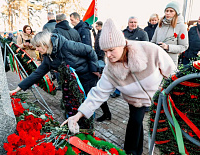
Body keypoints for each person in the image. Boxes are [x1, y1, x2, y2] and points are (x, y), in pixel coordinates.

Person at [61, 18, 176, 155]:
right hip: (136, 101)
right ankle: (132, 152)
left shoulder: (150, 50)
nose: (108, 55)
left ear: (122, 44)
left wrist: (170, 93)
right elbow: (98, 94)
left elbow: (173, 74)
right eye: (105, 51)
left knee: (165, 129)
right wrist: (78, 115)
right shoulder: (110, 70)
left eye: (111, 50)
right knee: (135, 122)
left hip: (161, 96)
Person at [9, 31, 99, 98]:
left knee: (90, 99)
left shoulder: (67, 45)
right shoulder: (48, 58)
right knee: (79, 102)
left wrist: (94, 69)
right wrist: (17, 89)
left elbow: (89, 50)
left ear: (45, 44)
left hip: (87, 76)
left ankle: (103, 114)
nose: (36, 49)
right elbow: (36, 74)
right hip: (73, 80)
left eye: (38, 46)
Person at [151, 1, 188, 66]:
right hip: (157, 61)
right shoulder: (160, 24)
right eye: (166, 11)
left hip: (170, 62)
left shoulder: (181, 26)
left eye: (171, 11)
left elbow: (184, 46)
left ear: (176, 13)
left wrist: (168, 47)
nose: (168, 13)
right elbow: (153, 41)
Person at [52, 13, 81, 90]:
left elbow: (54, 48)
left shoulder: (56, 31)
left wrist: (55, 64)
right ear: (65, 20)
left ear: (57, 21)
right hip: (75, 61)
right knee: (74, 84)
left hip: (62, 61)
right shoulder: (74, 31)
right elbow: (80, 46)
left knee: (65, 87)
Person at [94, 21, 111, 122]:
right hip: (98, 60)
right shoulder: (98, 33)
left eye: (97, 26)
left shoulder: (103, 34)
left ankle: (106, 113)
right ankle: (107, 113)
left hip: (99, 60)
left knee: (100, 91)